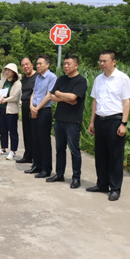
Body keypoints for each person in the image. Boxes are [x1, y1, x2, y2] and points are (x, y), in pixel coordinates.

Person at [87, 50, 130, 201]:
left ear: (113, 62)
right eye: (100, 61)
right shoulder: (98, 79)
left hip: (115, 120)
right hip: (100, 120)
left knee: (115, 156)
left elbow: (126, 102)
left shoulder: (122, 78)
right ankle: (102, 184)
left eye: (104, 61)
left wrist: (123, 123)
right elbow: (95, 101)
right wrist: (92, 121)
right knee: (100, 154)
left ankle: (115, 188)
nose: (101, 64)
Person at [47, 55, 88, 188]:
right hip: (59, 119)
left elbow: (73, 96)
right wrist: (65, 97)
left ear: (76, 65)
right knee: (59, 149)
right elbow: (52, 96)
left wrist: (60, 94)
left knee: (74, 150)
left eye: (68, 64)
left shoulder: (81, 81)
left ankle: (76, 177)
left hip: (73, 120)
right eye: (64, 64)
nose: (65, 66)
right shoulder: (61, 79)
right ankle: (59, 174)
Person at [29, 55, 57, 177]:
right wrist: (31, 106)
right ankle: (37, 165)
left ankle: (46, 169)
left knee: (44, 140)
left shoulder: (52, 77)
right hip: (34, 109)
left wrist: (37, 108)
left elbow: (48, 95)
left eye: (40, 63)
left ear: (47, 64)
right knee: (34, 139)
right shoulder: (38, 78)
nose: (38, 66)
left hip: (44, 111)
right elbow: (34, 92)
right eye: (37, 64)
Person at [0, 63, 22, 161]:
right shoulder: (3, 81)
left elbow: (15, 96)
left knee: (12, 131)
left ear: (14, 72)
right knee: (3, 130)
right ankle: (3, 148)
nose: (7, 72)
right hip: (2, 108)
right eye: (6, 70)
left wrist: (6, 100)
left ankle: (13, 151)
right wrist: (0, 100)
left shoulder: (17, 83)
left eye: (9, 70)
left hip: (11, 110)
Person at [16, 57, 38, 164]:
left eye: (27, 64)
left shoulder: (37, 77)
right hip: (24, 106)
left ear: (32, 65)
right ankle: (27, 155)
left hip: (34, 107)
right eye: (23, 65)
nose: (25, 67)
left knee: (34, 133)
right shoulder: (24, 78)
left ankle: (35, 157)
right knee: (26, 132)